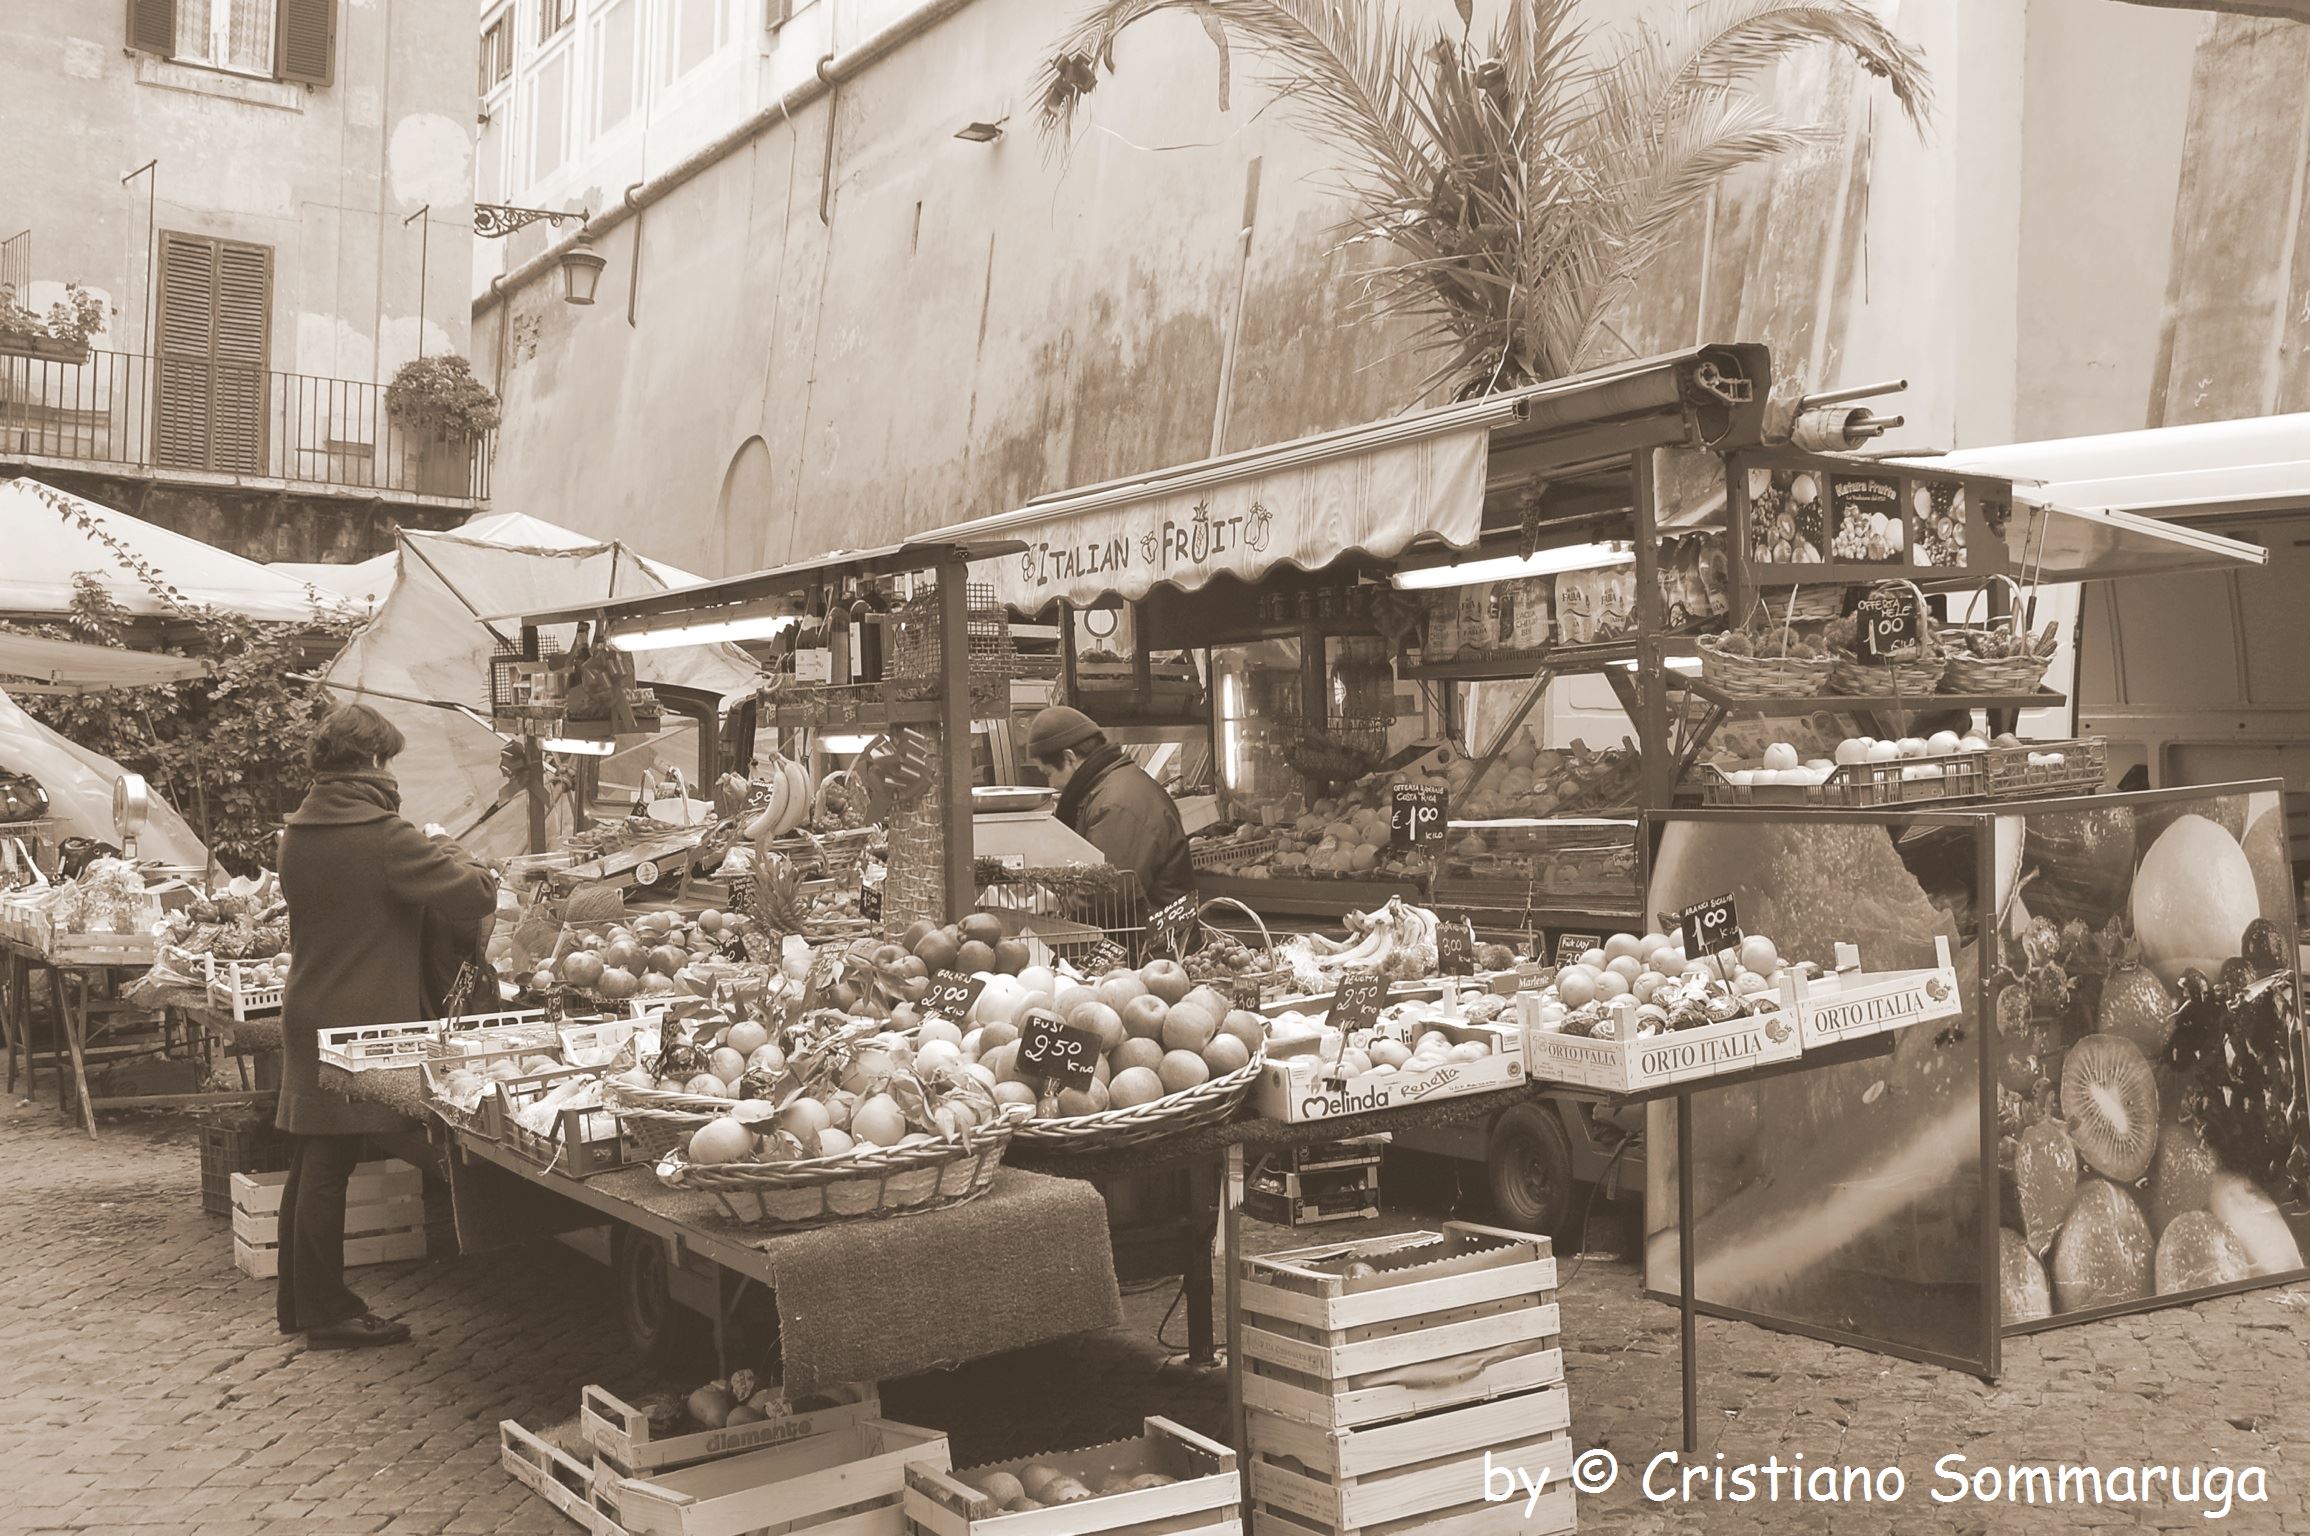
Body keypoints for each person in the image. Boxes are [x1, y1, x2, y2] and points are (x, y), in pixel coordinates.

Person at [273, 704, 499, 1350]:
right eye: (389, 759)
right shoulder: (384, 835)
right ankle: (326, 1311)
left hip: (310, 1007)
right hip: (356, 1022)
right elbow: (475, 895)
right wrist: (449, 844)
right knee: (327, 1161)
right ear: (371, 760)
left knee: (313, 1158)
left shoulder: (300, 830)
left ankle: (302, 1303)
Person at [1026, 705, 1195, 910]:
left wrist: (1058, 902)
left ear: (1070, 758)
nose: (1051, 784)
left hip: (1154, 938)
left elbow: (1108, 891)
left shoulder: (1116, 805)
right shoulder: (1105, 789)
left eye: (1048, 773)